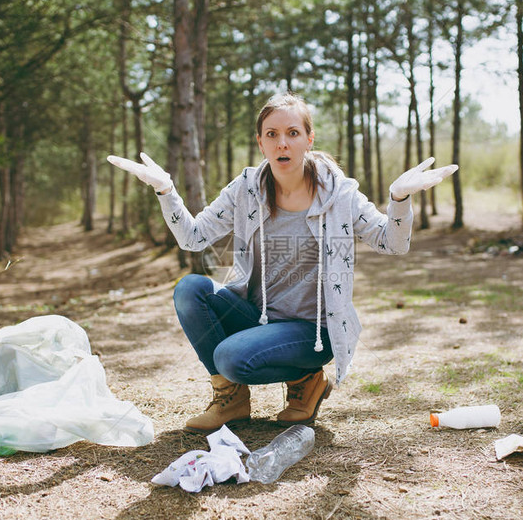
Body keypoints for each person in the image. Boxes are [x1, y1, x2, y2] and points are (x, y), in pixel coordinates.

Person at [108, 93, 457, 433]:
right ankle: (230, 399)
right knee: (190, 288)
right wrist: (166, 191)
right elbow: (193, 237)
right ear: (261, 143)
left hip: (314, 332)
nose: (282, 144)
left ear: (308, 139)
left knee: (231, 358)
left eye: (292, 134)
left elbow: (392, 244)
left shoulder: (341, 193)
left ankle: (306, 378)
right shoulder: (246, 189)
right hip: (258, 317)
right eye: (272, 135)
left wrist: (399, 199)